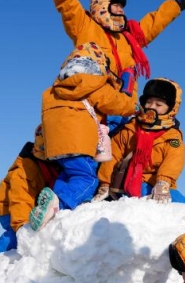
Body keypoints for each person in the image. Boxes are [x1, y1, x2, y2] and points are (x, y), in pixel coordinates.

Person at [31, 0, 185, 107]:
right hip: (95, 101)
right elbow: (68, 5)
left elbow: (153, 23)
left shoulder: (129, 36)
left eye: (122, 6)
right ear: (102, 6)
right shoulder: (84, 26)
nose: (121, 10)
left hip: (122, 106)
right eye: (115, 5)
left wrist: (176, 6)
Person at [30, 42, 138, 231]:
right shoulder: (93, 83)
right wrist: (132, 103)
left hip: (54, 145)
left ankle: (53, 202)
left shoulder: (53, 89)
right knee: (87, 179)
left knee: (69, 174)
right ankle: (59, 205)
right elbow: (117, 104)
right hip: (78, 142)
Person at [93, 78, 185, 228]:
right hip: (128, 182)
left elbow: (174, 160)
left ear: (170, 108)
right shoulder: (130, 129)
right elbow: (113, 154)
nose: (152, 107)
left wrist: (163, 182)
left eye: (159, 104)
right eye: (149, 102)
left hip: (157, 184)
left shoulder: (172, 136)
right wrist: (105, 182)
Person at [0, 139, 61, 273]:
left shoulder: (47, 168)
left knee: (23, 232)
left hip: (26, 206)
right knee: (15, 234)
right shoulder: (25, 168)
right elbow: (19, 198)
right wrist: (21, 224)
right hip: (9, 207)